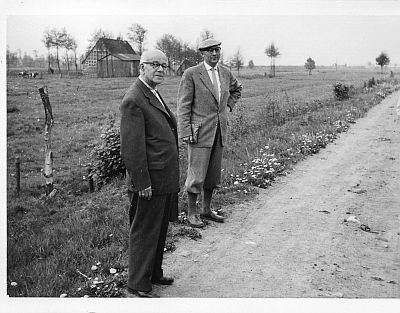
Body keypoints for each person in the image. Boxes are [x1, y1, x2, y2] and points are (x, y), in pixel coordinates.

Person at [120, 50, 179, 298]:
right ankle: (137, 282)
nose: (160, 69)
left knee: (159, 229)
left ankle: (153, 273)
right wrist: (142, 181)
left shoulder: (152, 92)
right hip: (150, 181)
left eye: (163, 65)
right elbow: (132, 148)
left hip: (163, 178)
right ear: (141, 67)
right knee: (145, 230)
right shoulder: (134, 99)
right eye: (154, 64)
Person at [177, 38, 242, 228]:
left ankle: (206, 209)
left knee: (213, 174)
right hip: (199, 133)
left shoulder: (225, 72)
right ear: (202, 53)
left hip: (219, 131)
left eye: (217, 50)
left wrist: (228, 106)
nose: (215, 54)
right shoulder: (191, 74)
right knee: (196, 174)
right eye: (210, 51)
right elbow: (183, 105)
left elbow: (237, 89)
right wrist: (185, 131)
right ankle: (191, 212)